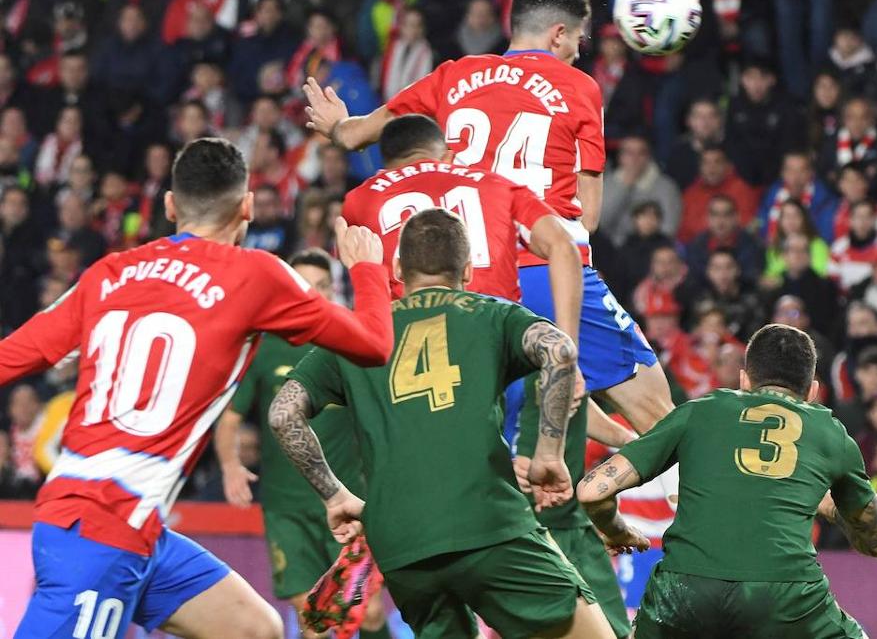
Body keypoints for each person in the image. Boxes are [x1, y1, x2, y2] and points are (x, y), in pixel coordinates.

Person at [0, 138, 395, 638]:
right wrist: (367, 268)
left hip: (125, 525)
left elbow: (10, 357)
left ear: (169, 204)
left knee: (256, 629)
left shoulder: (107, 274)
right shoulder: (256, 275)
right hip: (99, 536)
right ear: (247, 206)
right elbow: (375, 344)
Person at [304, 0, 674, 434]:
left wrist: (337, 124)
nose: (580, 51)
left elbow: (355, 134)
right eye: (578, 40)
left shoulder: (452, 76)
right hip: (544, 268)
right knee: (658, 412)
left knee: (502, 423)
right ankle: (690, 497)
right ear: (558, 34)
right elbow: (588, 216)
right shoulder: (580, 87)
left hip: (467, 278)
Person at [271, 207, 622, 638]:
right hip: (489, 525)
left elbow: (283, 413)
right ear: (469, 270)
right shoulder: (493, 314)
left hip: (400, 545)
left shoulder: (356, 334)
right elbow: (560, 351)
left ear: (398, 268)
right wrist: (548, 453)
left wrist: (334, 495)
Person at [577, 323, 877, 638]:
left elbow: (592, 492)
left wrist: (615, 530)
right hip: (785, 595)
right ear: (812, 390)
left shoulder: (698, 412)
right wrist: (834, 511)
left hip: (685, 589)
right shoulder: (831, 433)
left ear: (744, 380)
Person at [213, 248, 391, 639]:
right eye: (305, 286)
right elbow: (229, 418)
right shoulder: (263, 347)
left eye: (323, 286)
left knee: (371, 612)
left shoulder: (354, 341)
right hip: (286, 508)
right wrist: (229, 467)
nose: (315, 294)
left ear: (334, 290)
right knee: (312, 619)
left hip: (351, 499)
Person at [343, 114, 582, 345]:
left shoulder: (362, 198)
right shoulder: (499, 186)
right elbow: (563, 245)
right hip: (495, 339)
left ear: (384, 169)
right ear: (448, 157)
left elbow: (362, 280)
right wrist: (567, 347)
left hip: (412, 347)